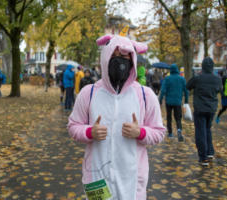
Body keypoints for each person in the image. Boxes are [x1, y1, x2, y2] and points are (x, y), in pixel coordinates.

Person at [68, 34, 165, 199]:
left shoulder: (145, 95)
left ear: (132, 60)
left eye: (124, 56)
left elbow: (159, 132)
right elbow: (73, 126)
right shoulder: (89, 93)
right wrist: (89, 132)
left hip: (132, 182)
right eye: (114, 55)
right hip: (96, 178)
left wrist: (140, 133)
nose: (119, 61)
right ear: (105, 57)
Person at [187, 57, 222, 166]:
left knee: (201, 132)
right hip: (211, 109)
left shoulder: (198, 78)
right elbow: (219, 90)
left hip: (200, 108)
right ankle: (210, 152)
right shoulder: (218, 79)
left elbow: (188, 86)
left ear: (202, 66)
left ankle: (203, 157)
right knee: (207, 129)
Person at [159, 64, 188, 141]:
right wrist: (186, 101)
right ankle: (179, 130)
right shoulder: (182, 79)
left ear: (171, 70)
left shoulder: (167, 78)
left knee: (169, 117)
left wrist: (160, 100)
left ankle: (170, 133)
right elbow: (186, 91)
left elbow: (163, 90)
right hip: (178, 101)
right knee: (178, 118)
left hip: (169, 101)